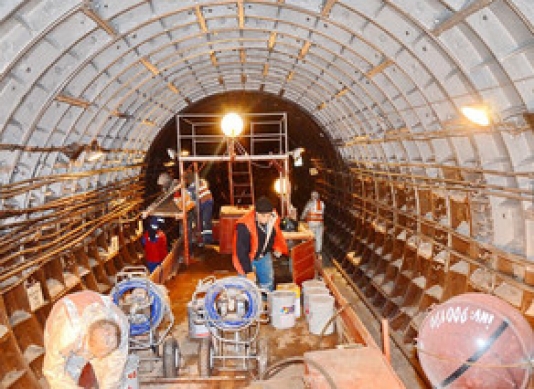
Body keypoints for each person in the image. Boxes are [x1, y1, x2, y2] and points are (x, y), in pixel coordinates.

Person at [43, 290, 130, 389]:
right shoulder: (67, 335)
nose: (102, 356)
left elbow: (115, 366)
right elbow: (53, 371)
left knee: (110, 370)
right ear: (88, 342)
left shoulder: (121, 325)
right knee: (68, 373)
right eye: (99, 352)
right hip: (61, 319)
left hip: (91, 311)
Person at [232, 196, 288, 291]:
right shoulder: (244, 226)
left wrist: (277, 248)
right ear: (256, 213)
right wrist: (248, 271)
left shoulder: (273, 219)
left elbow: (276, 234)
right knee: (245, 287)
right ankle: (247, 303)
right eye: (263, 216)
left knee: (267, 283)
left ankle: (266, 302)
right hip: (247, 257)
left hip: (264, 256)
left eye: (268, 215)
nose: (266, 219)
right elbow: (241, 252)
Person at [301, 191, 325, 256]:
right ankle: (318, 252)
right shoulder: (322, 204)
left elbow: (305, 211)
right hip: (319, 224)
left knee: (309, 236)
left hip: (311, 223)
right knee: (319, 237)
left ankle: (308, 251)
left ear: (312, 197)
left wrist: (302, 218)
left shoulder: (310, 203)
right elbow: (322, 213)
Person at [198, 178, 214, 245]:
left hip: (206, 202)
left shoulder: (200, 182)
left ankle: (207, 240)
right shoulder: (197, 183)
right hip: (202, 203)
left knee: (206, 221)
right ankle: (203, 239)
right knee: (202, 222)